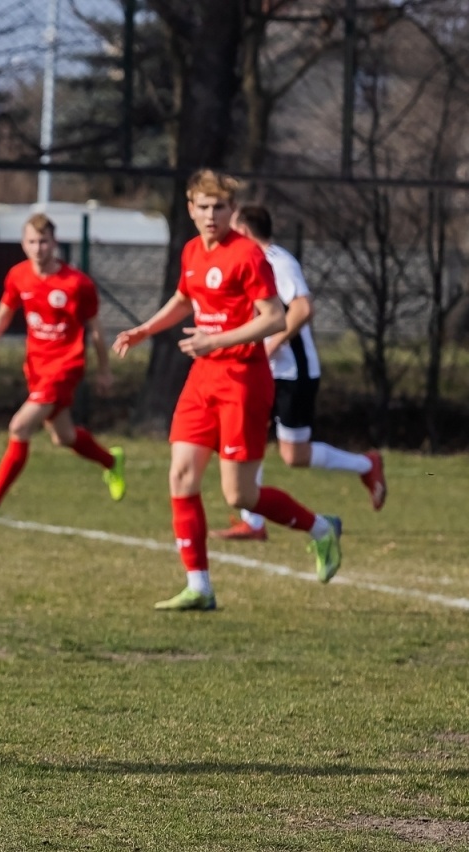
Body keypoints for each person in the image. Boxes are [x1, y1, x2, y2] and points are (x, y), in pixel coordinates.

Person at [114, 170, 341, 611]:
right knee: (180, 476)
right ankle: (199, 585)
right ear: (190, 209)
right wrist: (145, 329)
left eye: (219, 207)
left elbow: (274, 317)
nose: (211, 215)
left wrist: (215, 340)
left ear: (232, 211)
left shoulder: (248, 256)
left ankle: (321, 529)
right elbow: (185, 298)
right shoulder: (192, 251)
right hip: (203, 379)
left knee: (240, 496)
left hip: (242, 379)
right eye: (203, 206)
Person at [216, 204, 385, 540]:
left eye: (233, 229)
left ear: (246, 231)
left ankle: (367, 465)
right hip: (263, 373)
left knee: (295, 455)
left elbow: (304, 308)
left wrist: (271, 344)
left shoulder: (279, 262)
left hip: (293, 372)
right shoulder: (248, 263)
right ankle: (253, 521)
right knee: (248, 438)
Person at [0, 213, 124, 521]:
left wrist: (104, 370)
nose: (38, 248)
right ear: (24, 244)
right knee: (63, 436)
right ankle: (111, 462)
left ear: (55, 242)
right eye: (32, 242)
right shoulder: (19, 276)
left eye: (44, 241)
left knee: (20, 426)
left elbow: (97, 330)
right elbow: (3, 312)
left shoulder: (77, 284)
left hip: (66, 366)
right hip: (36, 366)